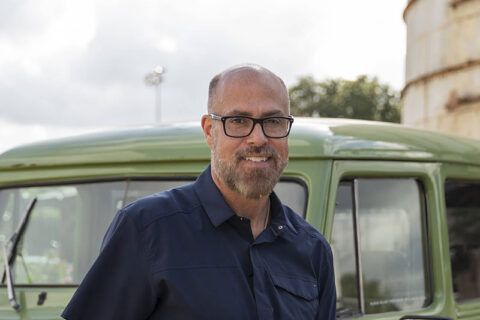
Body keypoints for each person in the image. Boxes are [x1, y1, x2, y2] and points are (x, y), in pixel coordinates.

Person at [61, 64, 336, 320]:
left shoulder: (312, 250)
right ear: (209, 131)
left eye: (273, 121)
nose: (258, 138)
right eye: (238, 120)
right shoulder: (147, 230)